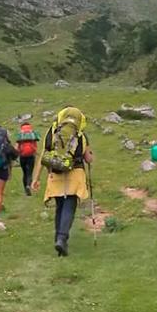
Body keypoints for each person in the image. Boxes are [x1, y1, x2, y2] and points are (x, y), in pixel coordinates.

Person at [31, 107, 93, 256]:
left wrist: (36, 178)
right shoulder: (80, 134)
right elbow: (88, 158)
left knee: (60, 206)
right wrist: (90, 156)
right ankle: (62, 239)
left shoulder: (52, 132)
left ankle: (58, 239)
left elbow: (44, 155)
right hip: (75, 173)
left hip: (55, 172)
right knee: (69, 206)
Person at [16, 121, 40, 196]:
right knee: (30, 172)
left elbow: (17, 146)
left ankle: (25, 189)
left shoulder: (20, 134)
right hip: (31, 155)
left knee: (24, 173)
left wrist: (16, 154)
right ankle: (28, 185)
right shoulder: (32, 133)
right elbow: (35, 144)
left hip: (22, 156)